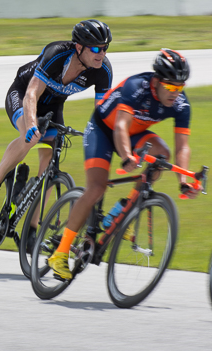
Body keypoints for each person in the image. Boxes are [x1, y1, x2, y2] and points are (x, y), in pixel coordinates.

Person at [47, 48, 198, 280]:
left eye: (180, 88)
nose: (174, 93)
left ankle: (124, 210)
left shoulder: (180, 105)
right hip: (103, 131)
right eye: (169, 87)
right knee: (96, 187)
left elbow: (182, 147)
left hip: (135, 133)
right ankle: (60, 252)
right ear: (156, 81)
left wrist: (184, 180)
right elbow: (119, 127)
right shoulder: (136, 86)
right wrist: (127, 156)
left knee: (161, 155)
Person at [0, 19, 113, 252]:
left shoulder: (103, 72)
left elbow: (104, 114)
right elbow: (31, 93)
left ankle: (31, 230)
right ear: (78, 47)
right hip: (23, 93)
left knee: (49, 163)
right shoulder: (57, 54)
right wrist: (30, 124)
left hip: (53, 105)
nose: (101, 53)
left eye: (105, 48)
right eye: (95, 48)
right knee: (30, 137)